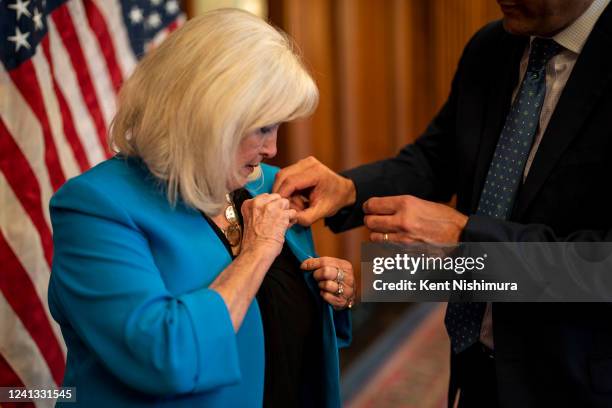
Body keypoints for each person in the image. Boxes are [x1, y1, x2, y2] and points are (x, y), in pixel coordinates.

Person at [273, 0, 612, 406]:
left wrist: (465, 235)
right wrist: (347, 188)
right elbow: (437, 160)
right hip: (477, 362)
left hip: (580, 379)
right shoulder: (491, 45)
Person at [48, 9, 355, 408]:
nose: (273, 149)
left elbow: (285, 327)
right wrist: (256, 253)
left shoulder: (267, 183)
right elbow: (164, 358)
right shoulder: (96, 208)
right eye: (262, 128)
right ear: (210, 118)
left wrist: (336, 293)